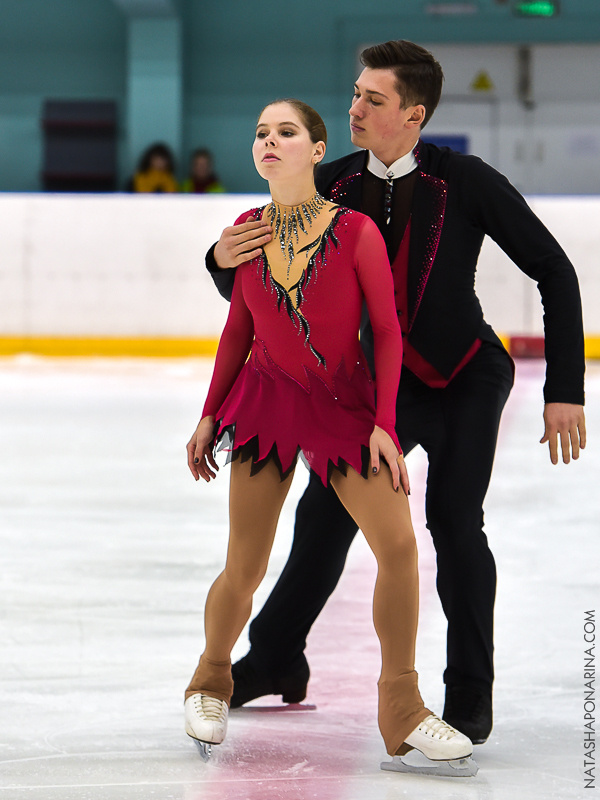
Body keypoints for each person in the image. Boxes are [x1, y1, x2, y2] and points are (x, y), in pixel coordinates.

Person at [204, 40, 586, 745]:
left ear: (412, 115)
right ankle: (275, 659)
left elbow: (554, 269)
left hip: (467, 375)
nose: (354, 108)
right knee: (323, 516)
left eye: (371, 100)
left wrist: (565, 389)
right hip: (383, 384)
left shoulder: (465, 180)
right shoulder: (338, 184)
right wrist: (216, 261)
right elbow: (263, 275)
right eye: (353, 94)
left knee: (454, 522)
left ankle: (468, 690)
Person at [184, 98, 477, 777]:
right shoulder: (245, 232)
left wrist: (385, 424)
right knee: (246, 565)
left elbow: (387, 331)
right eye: (260, 132)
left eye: (286, 132)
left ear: (317, 150)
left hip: (344, 405)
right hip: (264, 406)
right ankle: (209, 680)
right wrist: (209, 412)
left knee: (399, 546)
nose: (269, 141)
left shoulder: (355, 233)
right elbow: (239, 331)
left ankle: (402, 710)